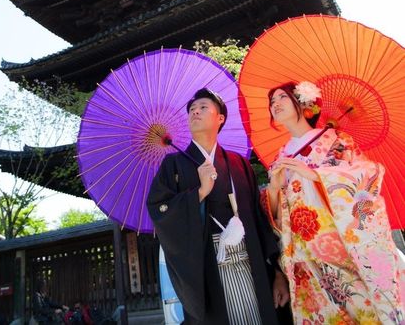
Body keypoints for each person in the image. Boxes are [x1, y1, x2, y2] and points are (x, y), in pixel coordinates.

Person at [264, 81, 405, 324]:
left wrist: (315, 174)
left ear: (304, 104)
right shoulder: (282, 155)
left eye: (282, 98)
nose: (275, 104)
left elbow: (365, 176)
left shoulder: (336, 140)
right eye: (272, 101)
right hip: (305, 252)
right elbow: (276, 214)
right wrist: (275, 188)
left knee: (364, 310)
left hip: (341, 244)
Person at [147, 88, 290, 324]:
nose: (195, 112)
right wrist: (200, 192)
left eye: (203, 107)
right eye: (192, 110)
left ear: (220, 118)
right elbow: (159, 209)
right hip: (207, 269)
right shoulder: (173, 165)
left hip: (251, 262)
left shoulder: (239, 163)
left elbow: (259, 219)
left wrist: (277, 272)